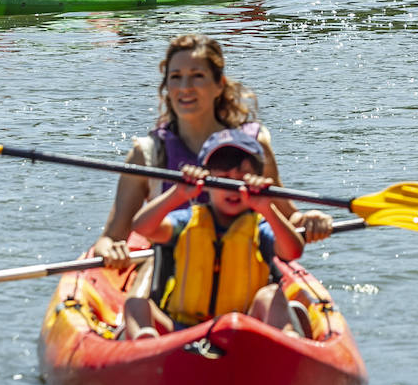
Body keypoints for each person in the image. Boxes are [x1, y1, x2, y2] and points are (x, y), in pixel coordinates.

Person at [91, 34, 332, 270]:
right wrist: (111, 250)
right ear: (167, 87)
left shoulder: (253, 145)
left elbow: (289, 217)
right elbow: (111, 237)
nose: (185, 88)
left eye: (197, 76)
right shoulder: (147, 154)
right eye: (176, 77)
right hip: (175, 276)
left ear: (219, 85)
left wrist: (311, 220)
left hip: (246, 271)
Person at [121, 128, 303, 339]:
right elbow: (142, 228)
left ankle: (287, 342)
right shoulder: (187, 220)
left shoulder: (260, 227)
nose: (232, 188)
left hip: (244, 332)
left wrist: (266, 208)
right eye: (224, 179)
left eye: (241, 179)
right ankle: (145, 342)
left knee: (271, 295)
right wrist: (177, 194)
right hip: (182, 333)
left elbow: (292, 251)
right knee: (136, 303)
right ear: (207, 183)